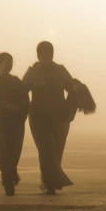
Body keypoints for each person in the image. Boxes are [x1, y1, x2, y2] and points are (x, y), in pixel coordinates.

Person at [23, 42, 75, 195]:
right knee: (46, 149)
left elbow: (72, 89)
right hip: (39, 117)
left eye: (48, 53)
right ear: (38, 55)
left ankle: (50, 180)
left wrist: (70, 109)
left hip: (59, 117)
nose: (45, 57)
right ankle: (49, 183)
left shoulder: (60, 71)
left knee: (57, 149)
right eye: (42, 54)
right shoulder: (33, 72)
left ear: (52, 54)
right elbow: (21, 91)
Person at [0, 52, 30, 196]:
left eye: (11, 62)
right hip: (1, 122)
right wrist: (4, 107)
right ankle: (8, 179)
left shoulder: (16, 81)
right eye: (7, 62)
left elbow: (25, 99)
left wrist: (20, 109)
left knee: (15, 151)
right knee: (3, 150)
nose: (9, 65)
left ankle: (11, 174)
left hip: (16, 121)